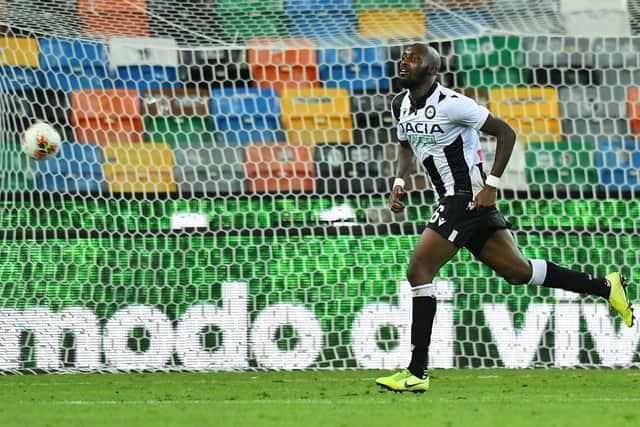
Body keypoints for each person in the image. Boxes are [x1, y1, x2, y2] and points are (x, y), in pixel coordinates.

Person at [375, 43, 634, 394]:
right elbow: (406, 144)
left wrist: (492, 186)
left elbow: (506, 132)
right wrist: (400, 180)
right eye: (404, 57)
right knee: (519, 271)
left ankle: (416, 372)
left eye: (414, 59)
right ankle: (605, 287)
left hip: (465, 198)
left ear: (432, 70)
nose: (405, 62)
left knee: (418, 271)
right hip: (461, 203)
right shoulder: (400, 105)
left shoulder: (454, 104)